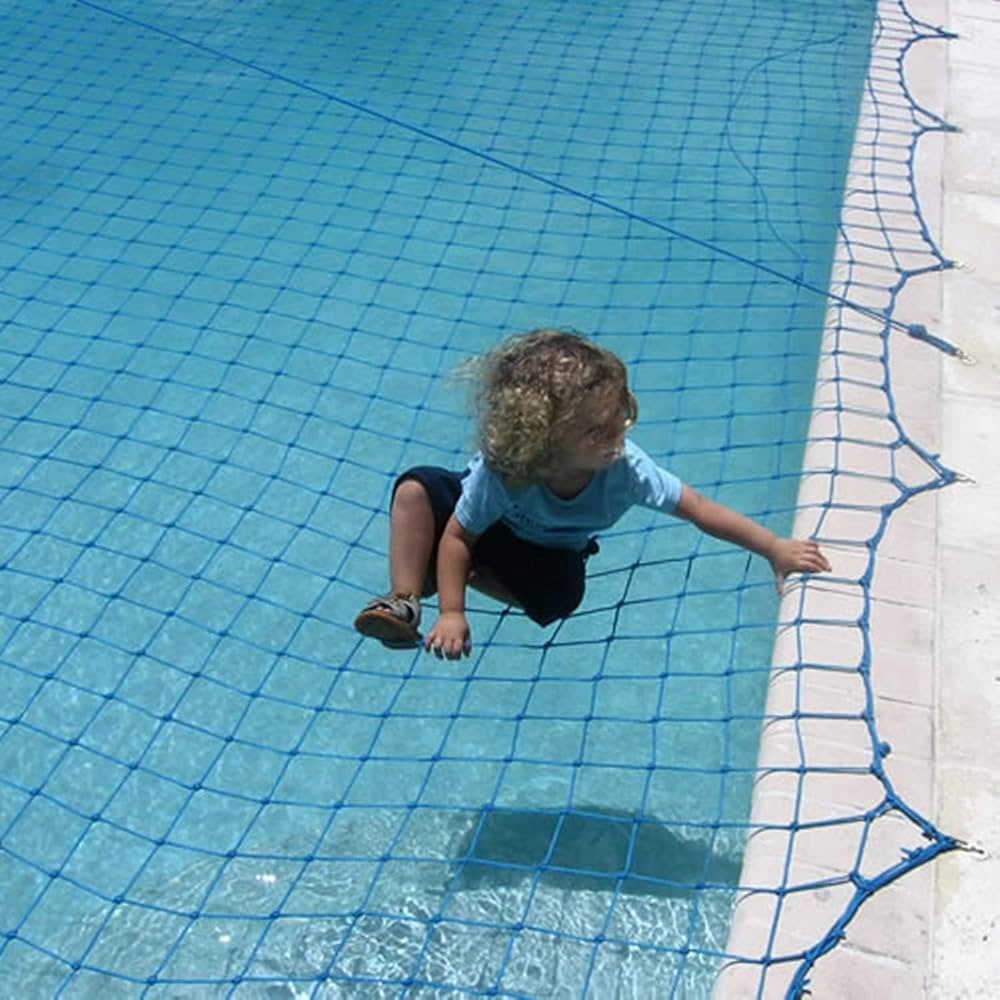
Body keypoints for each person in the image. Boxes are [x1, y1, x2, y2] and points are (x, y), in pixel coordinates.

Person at [354, 328, 831, 659]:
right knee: (416, 488)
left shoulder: (625, 470)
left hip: (543, 553)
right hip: (476, 523)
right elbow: (459, 534)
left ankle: (453, 573)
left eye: (620, 415)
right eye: (597, 430)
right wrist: (452, 614)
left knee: (561, 597)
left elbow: (699, 509)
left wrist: (773, 547)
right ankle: (406, 598)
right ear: (543, 440)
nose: (617, 434)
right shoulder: (507, 472)